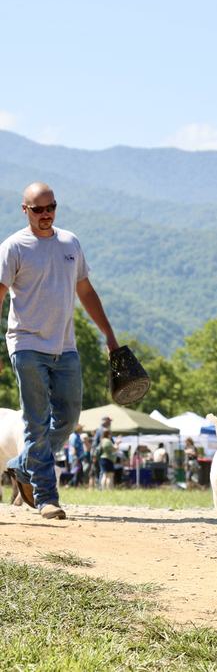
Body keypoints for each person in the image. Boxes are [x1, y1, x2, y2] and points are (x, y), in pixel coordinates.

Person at [0, 182, 119, 519]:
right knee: (36, 420)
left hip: (65, 346)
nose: (46, 214)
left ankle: (21, 463)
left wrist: (109, 335)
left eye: (50, 207)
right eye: (38, 209)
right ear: (25, 210)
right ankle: (46, 497)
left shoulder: (70, 243)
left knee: (68, 418)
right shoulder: (13, 247)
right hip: (26, 344)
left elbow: (85, 290)